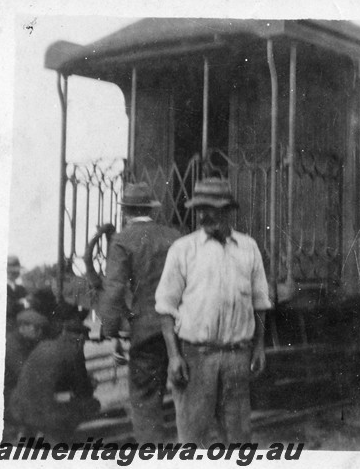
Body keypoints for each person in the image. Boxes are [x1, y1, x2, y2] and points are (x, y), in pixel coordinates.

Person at [155, 177, 271, 447]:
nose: (203, 215)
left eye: (211, 208)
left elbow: (260, 303)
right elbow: (165, 307)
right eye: (200, 209)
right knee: (193, 442)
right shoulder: (183, 250)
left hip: (236, 359)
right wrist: (174, 356)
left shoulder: (248, 248)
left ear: (228, 210)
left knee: (238, 440)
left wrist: (259, 347)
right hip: (196, 359)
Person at [99, 182, 180, 443]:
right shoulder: (174, 236)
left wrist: (111, 331)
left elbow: (114, 289)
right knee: (186, 392)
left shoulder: (122, 240)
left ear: (125, 211)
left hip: (146, 332)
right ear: (152, 210)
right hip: (179, 326)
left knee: (145, 399)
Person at [8, 315, 100, 443]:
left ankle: (27, 437)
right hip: (42, 414)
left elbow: (46, 378)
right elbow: (83, 391)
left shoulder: (43, 345)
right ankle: (58, 439)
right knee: (92, 404)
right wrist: (90, 383)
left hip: (18, 408)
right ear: (81, 339)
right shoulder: (74, 352)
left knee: (41, 399)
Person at [2, 309, 50, 442]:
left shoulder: (25, 341)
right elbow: (25, 373)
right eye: (36, 328)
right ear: (23, 327)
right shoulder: (12, 345)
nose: (40, 332)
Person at [6, 255, 27, 333]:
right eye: (10, 271)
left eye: (16, 271)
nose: (13, 273)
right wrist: (21, 303)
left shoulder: (21, 288)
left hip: (19, 325)